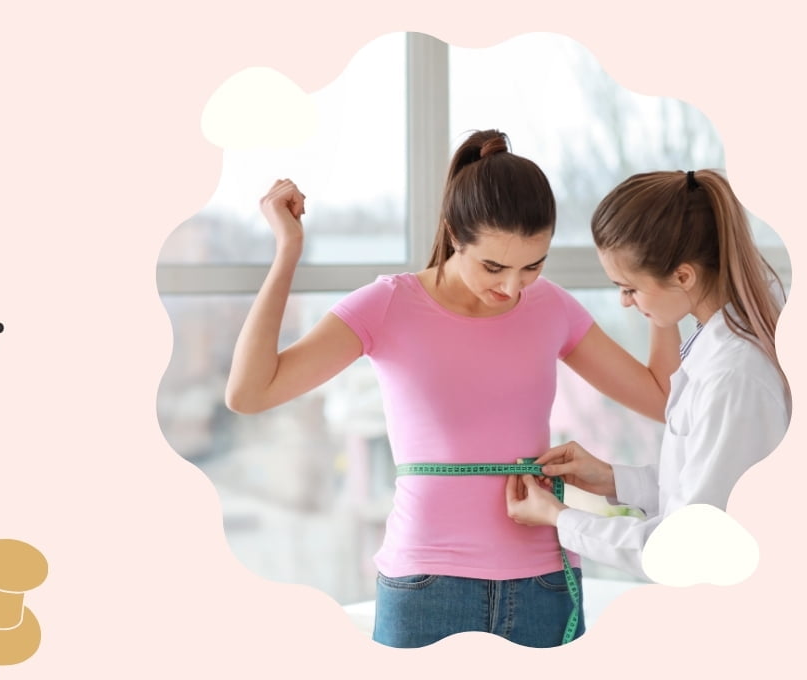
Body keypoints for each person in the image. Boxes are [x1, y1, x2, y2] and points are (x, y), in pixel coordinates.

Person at [225, 129, 681, 648]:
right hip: (425, 586)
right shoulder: (388, 306)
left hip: (544, 583)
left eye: (532, 266)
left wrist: (657, 285)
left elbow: (663, 398)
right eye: (493, 266)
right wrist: (288, 251)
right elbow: (250, 392)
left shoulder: (551, 307)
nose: (511, 288)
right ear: (453, 234)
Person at [504, 169, 790, 580]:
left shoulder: (734, 376)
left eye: (630, 288)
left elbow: (689, 544)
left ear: (683, 276)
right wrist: (611, 479)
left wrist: (560, 519)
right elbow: (707, 490)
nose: (623, 302)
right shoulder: (720, 346)